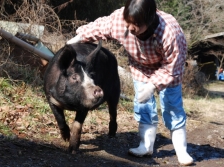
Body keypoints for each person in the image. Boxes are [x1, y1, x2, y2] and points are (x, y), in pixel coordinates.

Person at [67, 0, 193, 165]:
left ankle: (181, 151)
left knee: (172, 106)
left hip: (169, 69)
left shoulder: (170, 32)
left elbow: (173, 66)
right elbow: (99, 27)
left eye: (136, 25)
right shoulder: (120, 20)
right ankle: (146, 146)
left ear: (149, 19)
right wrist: (76, 39)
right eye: (128, 22)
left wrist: (152, 85)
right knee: (143, 105)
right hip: (141, 67)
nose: (131, 28)